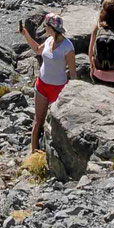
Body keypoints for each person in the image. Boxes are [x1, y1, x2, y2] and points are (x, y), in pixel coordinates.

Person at [22, 12, 75, 155]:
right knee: (37, 121)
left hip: (58, 89)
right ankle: (33, 155)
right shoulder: (48, 40)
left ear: (52, 27)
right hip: (42, 85)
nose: (44, 28)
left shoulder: (67, 46)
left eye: (46, 25)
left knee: (56, 124)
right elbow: (37, 50)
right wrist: (26, 34)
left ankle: (54, 154)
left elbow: (73, 74)